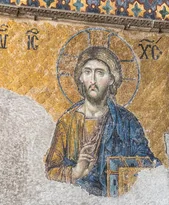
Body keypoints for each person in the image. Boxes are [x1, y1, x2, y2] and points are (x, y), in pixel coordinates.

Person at [44, 46, 159, 196]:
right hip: (77, 202)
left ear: (112, 79)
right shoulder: (67, 122)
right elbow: (51, 170)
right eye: (87, 72)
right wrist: (76, 172)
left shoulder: (127, 122)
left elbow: (149, 164)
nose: (92, 80)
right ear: (80, 77)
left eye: (100, 73)